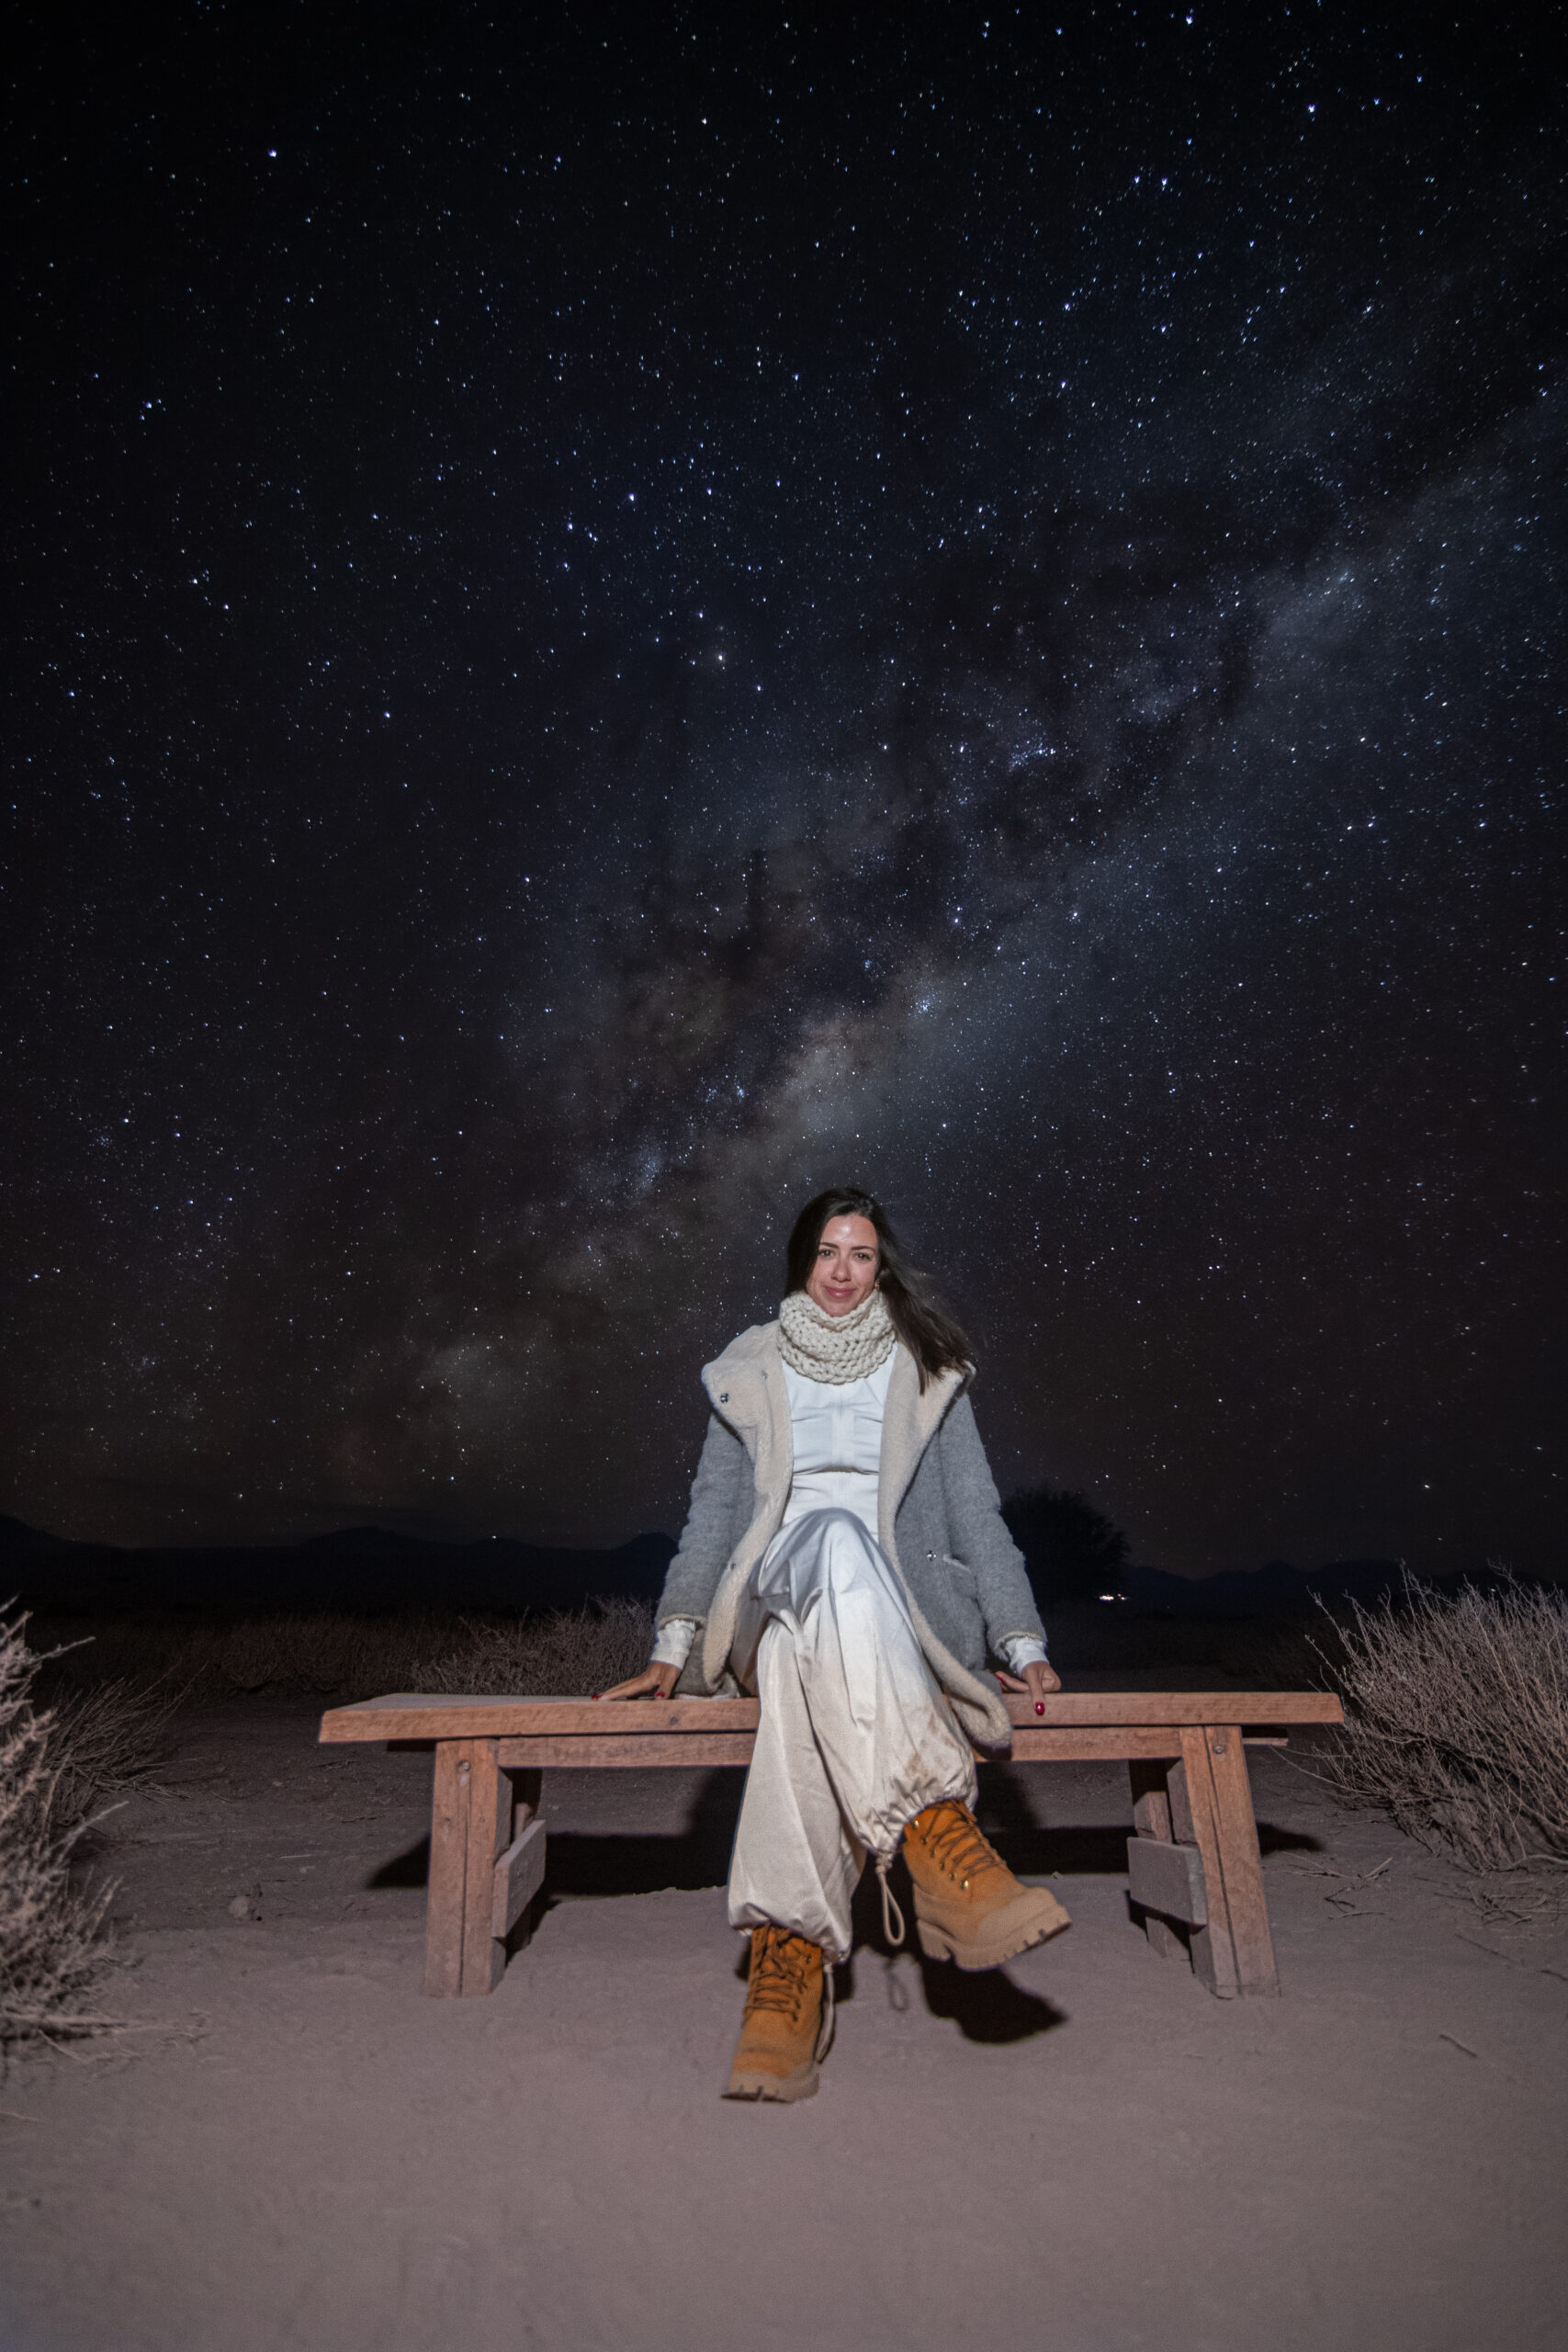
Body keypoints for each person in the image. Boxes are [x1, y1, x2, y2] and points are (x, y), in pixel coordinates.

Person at [599, 1185, 1069, 2101]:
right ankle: (933, 1828)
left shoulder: (929, 1364)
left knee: (796, 1679)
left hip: (896, 1622)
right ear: (800, 1262)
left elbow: (978, 1515)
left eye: (860, 1253)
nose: (843, 1271)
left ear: (881, 1262)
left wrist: (1020, 1637)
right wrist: (674, 1641)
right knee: (829, 1540)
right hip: (773, 1589)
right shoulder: (752, 1369)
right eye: (826, 1252)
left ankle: (789, 1964)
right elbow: (710, 1520)